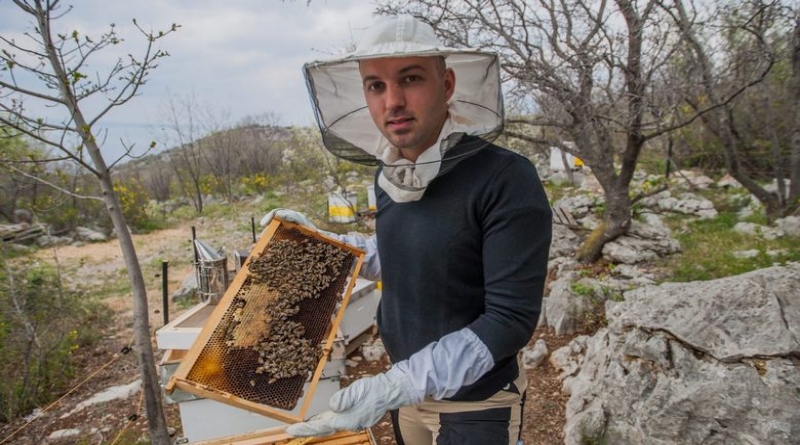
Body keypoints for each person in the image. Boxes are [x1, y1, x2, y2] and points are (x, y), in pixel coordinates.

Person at [264, 15, 552, 445]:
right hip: (406, 396)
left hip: (476, 404)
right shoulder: (392, 174)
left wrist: (396, 384)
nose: (392, 100)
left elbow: (509, 320)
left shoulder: (506, 178)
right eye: (376, 85)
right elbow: (403, 252)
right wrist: (324, 248)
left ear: (447, 84)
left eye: (410, 78)